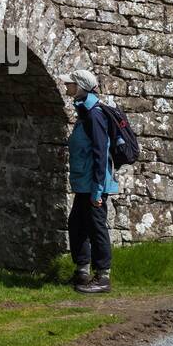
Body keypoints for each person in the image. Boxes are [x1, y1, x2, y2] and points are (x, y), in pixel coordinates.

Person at [62, 67, 119, 293]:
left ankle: (103, 277)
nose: (66, 86)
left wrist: (97, 190)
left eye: (70, 84)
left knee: (96, 227)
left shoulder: (94, 114)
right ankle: (82, 273)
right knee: (77, 225)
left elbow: (100, 152)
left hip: (94, 184)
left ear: (81, 87)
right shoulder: (85, 111)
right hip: (85, 184)